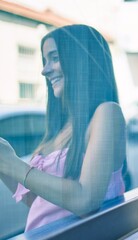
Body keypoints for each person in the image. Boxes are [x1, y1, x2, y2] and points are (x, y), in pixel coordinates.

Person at [0, 24, 126, 232]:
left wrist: (14, 165)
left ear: (81, 62)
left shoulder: (107, 113)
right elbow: (41, 202)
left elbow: (85, 200)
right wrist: (4, 163)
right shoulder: (60, 129)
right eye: (44, 60)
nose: (44, 70)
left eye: (55, 58)